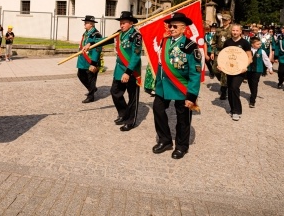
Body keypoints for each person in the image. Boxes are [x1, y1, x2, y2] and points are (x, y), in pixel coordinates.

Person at [152, 12, 202, 159]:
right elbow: (161, 64)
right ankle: (165, 140)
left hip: (181, 87)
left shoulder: (190, 46)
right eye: (169, 26)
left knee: (183, 119)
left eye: (174, 26)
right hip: (164, 85)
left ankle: (182, 146)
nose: (171, 28)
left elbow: (195, 73)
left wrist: (191, 96)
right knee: (158, 109)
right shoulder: (165, 41)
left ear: (183, 28)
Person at [88, 11, 142, 131]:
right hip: (119, 69)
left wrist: (128, 72)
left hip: (131, 70)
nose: (121, 25)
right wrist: (91, 43)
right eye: (121, 23)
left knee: (132, 96)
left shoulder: (136, 36)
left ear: (131, 23)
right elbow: (105, 40)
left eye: (124, 23)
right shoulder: (119, 33)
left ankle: (130, 121)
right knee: (115, 92)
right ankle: (123, 113)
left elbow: (136, 55)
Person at [220, 24, 252, 121]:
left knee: (234, 87)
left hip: (240, 70)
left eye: (237, 30)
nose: (235, 32)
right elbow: (223, 56)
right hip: (229, 70)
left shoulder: (245, 43)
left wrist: (245, 66)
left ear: (240, 31)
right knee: (230, 89)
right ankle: (232, 108)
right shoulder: (227, 42)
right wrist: (220, 65)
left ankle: (237, 111)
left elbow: (249, 57)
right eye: (233, 30)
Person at [77, 16, 102, 103]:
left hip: (91, 59)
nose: (84, 23)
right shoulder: (86, 33)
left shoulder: (96, 34)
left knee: (91, 77)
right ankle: (92, 88)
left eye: (86, 22)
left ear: (91, 24)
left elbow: (98, 48)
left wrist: (94, 63)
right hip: (83, 59)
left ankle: (91, 96)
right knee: (80, 74)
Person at [210, 13, 232, 100]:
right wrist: (212, 52)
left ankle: (223, 91)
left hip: (228, 53)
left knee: (224, 72)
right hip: (219, 52)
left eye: (226, 20)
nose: (224, 21)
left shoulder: (232, 30)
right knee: (215, 69)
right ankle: (224, 83)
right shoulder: (219, 30)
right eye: (223, 20)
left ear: (229, 21)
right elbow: (214, 42)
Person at [247, 36, 273, 108]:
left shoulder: (262, 51)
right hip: (249, 70)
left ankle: (252, 101)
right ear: (252, 44)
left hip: (257, 70)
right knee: (250, 83)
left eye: (260, 44)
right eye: (257, 44)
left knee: (254, 84)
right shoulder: (248, 51)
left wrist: (270, 68)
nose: (260, 45)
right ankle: (252, 93)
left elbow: (266, 60)